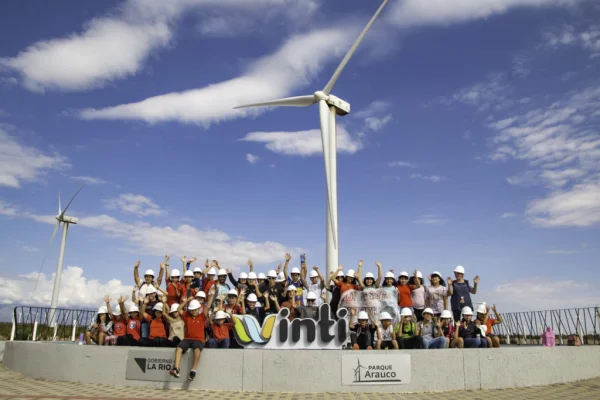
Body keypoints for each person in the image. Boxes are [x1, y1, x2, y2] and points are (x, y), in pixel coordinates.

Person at [169, 289, 215, 381]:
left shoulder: (202, 316)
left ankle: (193, 370)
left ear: (199, 309)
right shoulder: (186, 316)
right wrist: (186, 301)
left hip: (199, 340)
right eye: (192, 310)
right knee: (178, 348)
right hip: (187, 339)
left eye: (195, 310)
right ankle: (176, 369)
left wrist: (211, 295)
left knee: (197, 351)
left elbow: (208, 306)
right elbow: (178, 309)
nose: (193, 312)